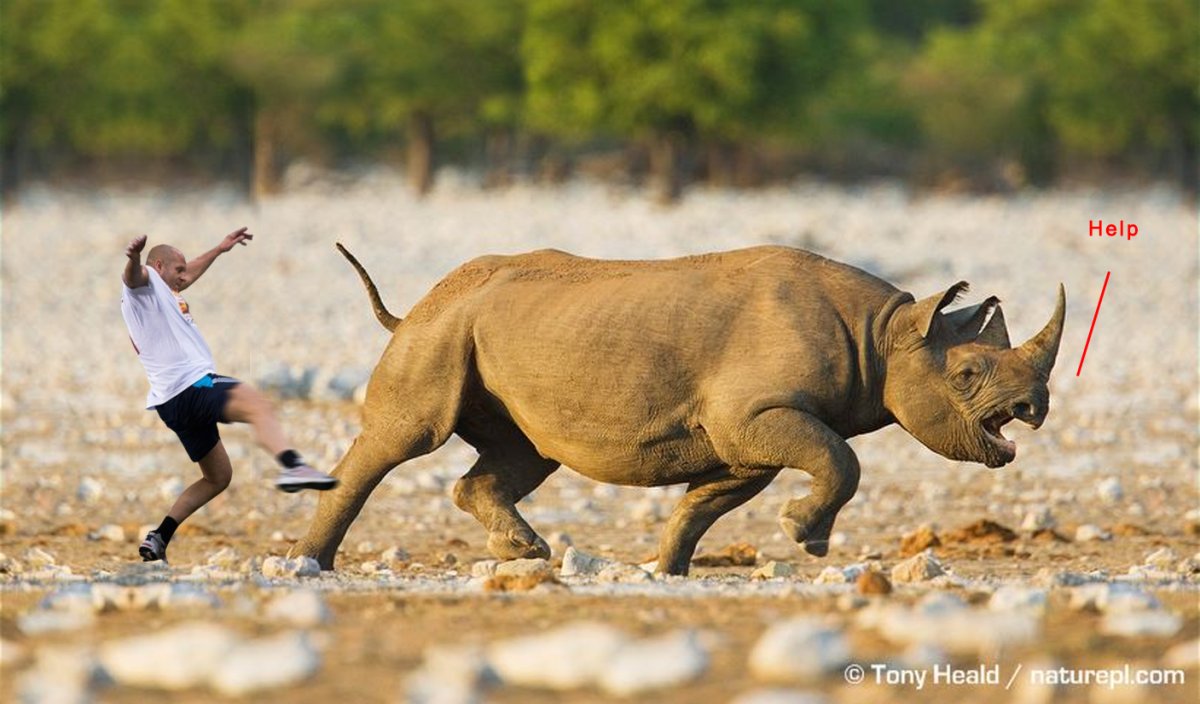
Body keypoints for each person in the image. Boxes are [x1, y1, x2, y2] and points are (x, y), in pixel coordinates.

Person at [121, 228, 338, 563]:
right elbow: (133, 277)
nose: (184, 276)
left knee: (218, 477)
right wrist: (135, 257)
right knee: (257, 404)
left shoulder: (165, 292)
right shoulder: (143, 285)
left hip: (171, 403)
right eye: (177, 270)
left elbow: (189, 273)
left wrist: (220, 249)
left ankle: (159, 536)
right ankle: (293, 466)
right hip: (193, 386)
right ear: (158, 266)